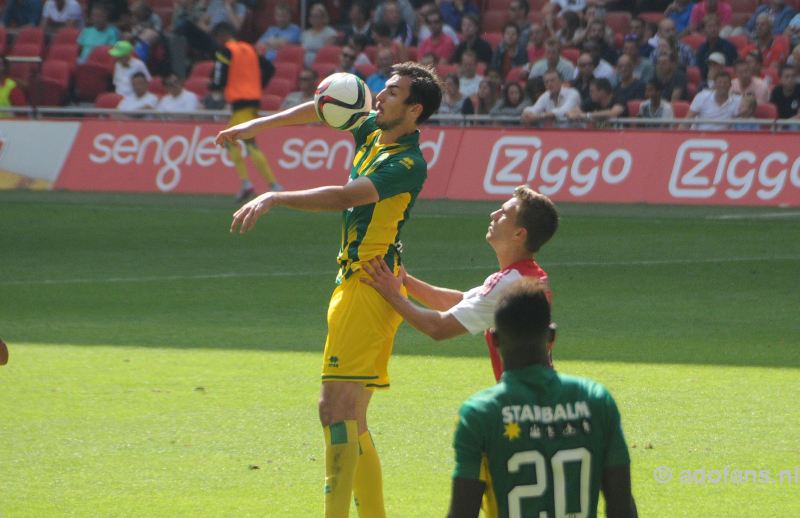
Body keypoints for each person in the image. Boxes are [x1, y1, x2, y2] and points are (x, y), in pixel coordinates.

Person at [216, 62, 443, 518]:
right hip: (368, 282)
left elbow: (345, 196)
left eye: (392, 92)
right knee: (352, 418)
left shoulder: (405, 163)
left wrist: (273, 196)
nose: (379, 96)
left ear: (414, 109)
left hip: (367, 286)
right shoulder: (375, 132)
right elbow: (322, 109)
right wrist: (253, 126)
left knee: (334, 411)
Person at [446, 278, 638, 518]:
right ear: (551, 336)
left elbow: (463, 512)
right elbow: (621, 507)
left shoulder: (480, 414)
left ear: (494, 340)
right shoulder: (597, 401)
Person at [361, 186, 558, 380]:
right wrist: (405, 280)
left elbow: (438, 328)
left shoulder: (508, 283)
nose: (494, 214)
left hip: (524, 402)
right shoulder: (526, 277)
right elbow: (459, 302)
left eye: (504, 213)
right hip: (540, 395)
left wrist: (392, 294)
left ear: (519, 234)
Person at [211, 21, 281, 201]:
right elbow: (269, 68)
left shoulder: (226, 51)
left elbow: (219, 77)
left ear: (222, 36)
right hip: (252, 100)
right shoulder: (249, 49)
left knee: (249, 143)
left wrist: (215, 86)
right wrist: (257, 86)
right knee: (229, 139)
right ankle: (249, 183)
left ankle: (272, 184)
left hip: (240, 102)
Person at [695, 14, 737, 81]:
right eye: (709, 27)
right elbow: (700, 69)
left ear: (719, 28)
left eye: (715, 26)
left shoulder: (729, 47)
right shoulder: (702, 49)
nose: (713, 29)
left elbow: (732, 68)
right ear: (704, 30)